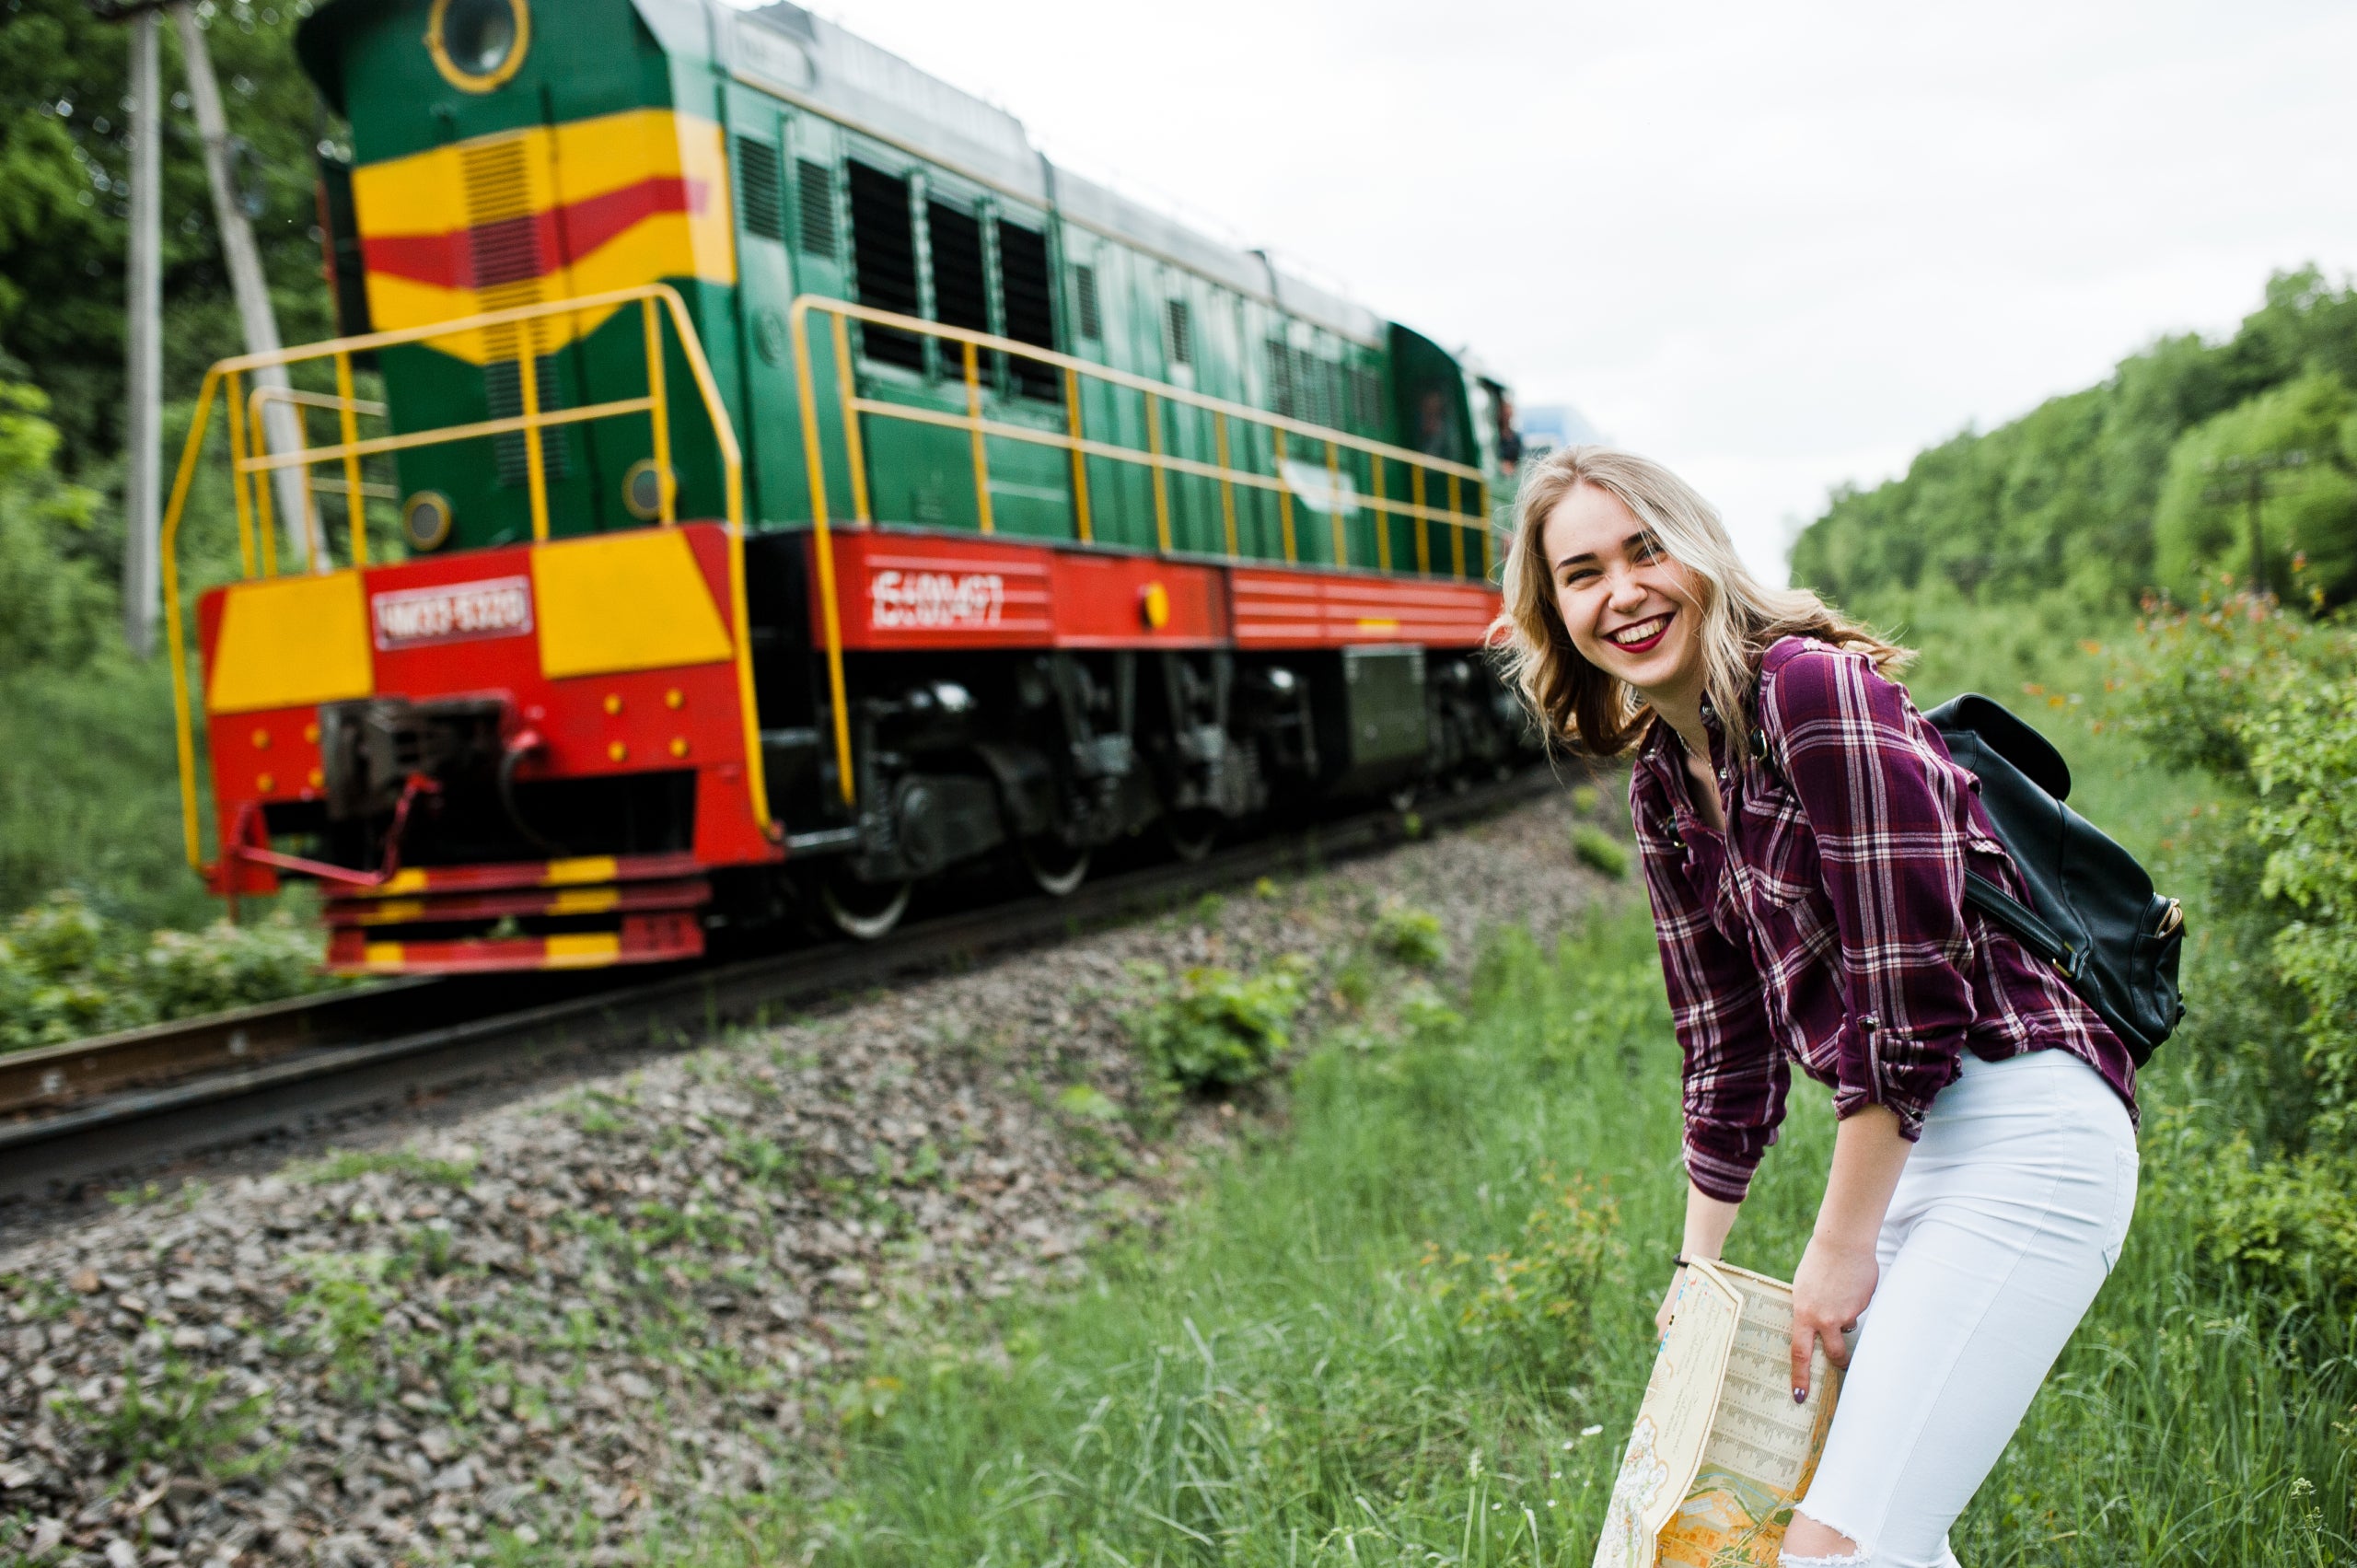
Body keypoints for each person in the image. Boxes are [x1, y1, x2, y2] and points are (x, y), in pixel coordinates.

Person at [1492, 447, 2140, 1568]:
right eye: (1583, 573)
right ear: (1555, 612)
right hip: (1917, 1150)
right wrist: (1697, 1277)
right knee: (1862, 1526)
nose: (1625, 592)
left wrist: (1834, 1248)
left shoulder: (1809, 690)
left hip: (2027, 1125)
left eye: (1646, 549)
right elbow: (1723, 1049)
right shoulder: (1661, 783)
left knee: (1835, 1546)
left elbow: (1909, 991)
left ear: (1699, 550)